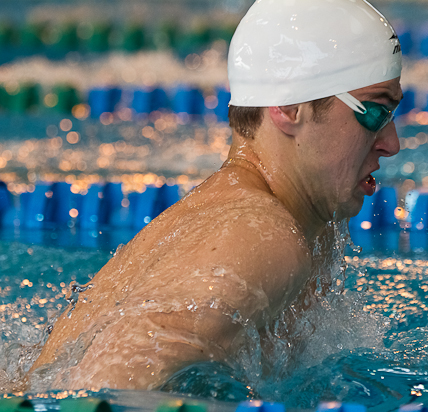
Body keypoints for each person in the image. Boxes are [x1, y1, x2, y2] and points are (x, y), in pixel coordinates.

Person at [28, 0, 403, 391]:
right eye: (375, 112)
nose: (391, 144)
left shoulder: (300, 223)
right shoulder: (262, 238)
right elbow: (96, 398)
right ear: (290, 107)